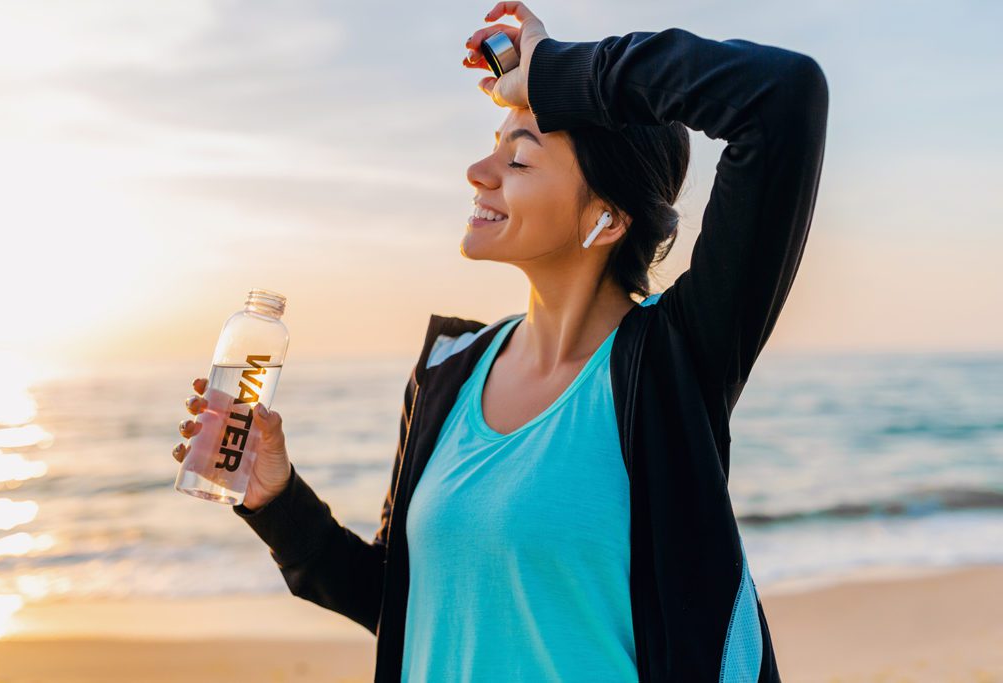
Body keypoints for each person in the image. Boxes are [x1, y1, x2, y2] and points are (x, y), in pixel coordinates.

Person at [172, 2, 828, 680]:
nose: (478, 171)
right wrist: (276, 498)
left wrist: (554, 71)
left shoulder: (670, 363)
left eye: (518, 158)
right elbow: (407, 603)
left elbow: (780, 96)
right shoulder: (448, 371)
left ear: (605, 218)